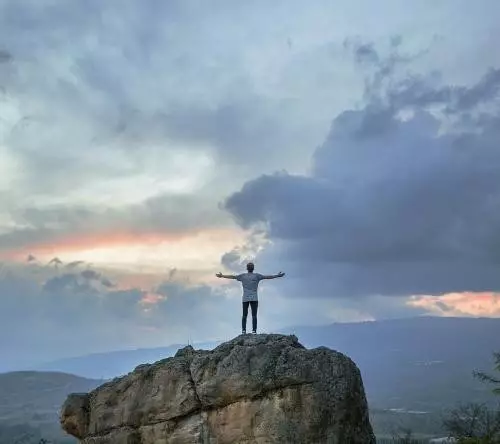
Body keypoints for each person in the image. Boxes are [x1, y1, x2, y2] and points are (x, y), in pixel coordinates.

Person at [216, 262, 285, 334]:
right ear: (253, 268)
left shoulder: (243, 276)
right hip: (254, 298)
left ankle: (243, 331)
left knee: (244, 315)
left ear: (247, 268)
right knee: (254, 315)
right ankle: (254, 331)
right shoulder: (257, 276)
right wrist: (277, 276)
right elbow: (267, 277)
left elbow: (233, 276)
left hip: (245, 299)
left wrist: (222, 276)